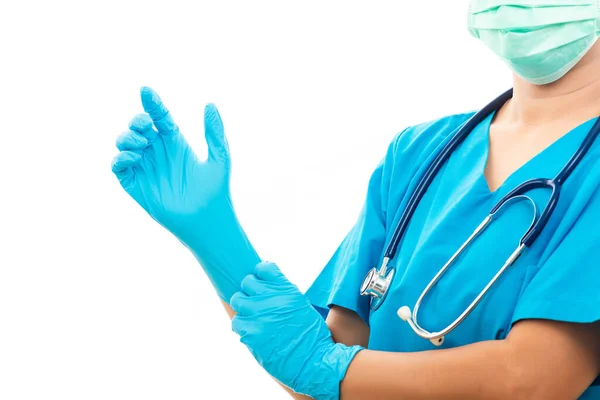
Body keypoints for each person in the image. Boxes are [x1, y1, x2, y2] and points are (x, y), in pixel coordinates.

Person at [111, 1, 600, 399]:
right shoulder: (417, 155)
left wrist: (323, 366)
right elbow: (321, 376)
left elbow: (535, 379)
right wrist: (216, 238)